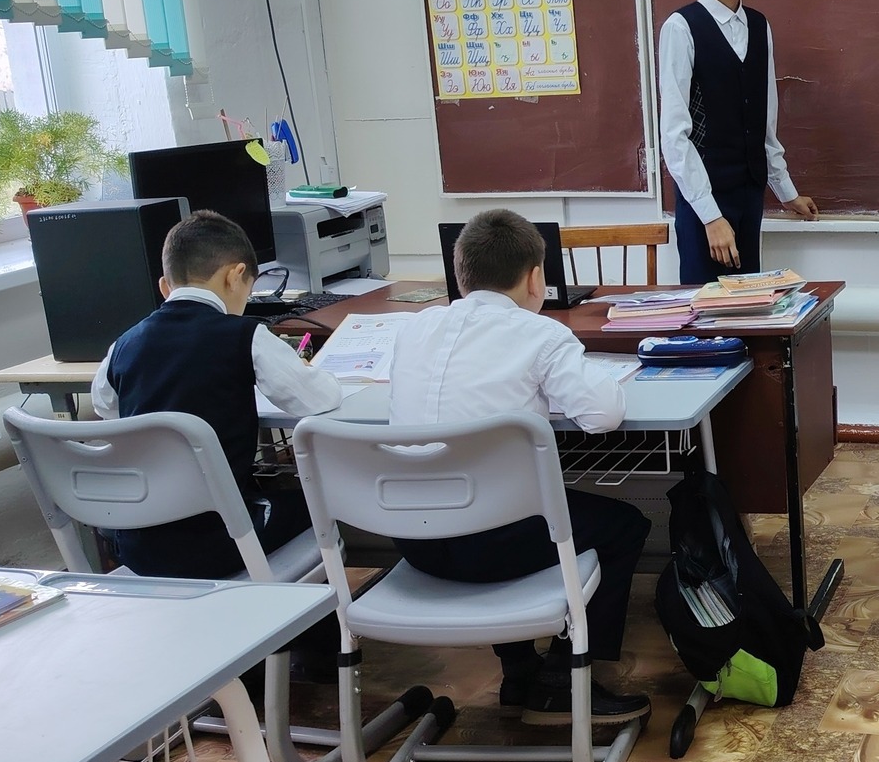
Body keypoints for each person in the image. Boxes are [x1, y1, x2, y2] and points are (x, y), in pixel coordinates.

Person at [387, 208, 652, 725]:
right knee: (623, 526)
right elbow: (602, 415)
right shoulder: (540, 336)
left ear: (460, 274)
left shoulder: (414, 329)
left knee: (498, 505)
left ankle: (519, 671)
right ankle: (561, 682)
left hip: (413, 539)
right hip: (490, 547)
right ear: (536, 278)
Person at [92, 209, 342, 580]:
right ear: (235, 276)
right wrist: (306, 368)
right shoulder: (245, 336)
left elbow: (107, 411)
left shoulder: (123, 345)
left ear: (165, 286)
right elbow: (319, 399)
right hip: (219, 543)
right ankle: (317, 612)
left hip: (139, 545)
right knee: (323, 498)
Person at [658, 0, 819, 284]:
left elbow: (765, 123)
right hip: (703, 200)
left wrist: (786, 191)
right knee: (707, 308)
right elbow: (674, 135)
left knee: (750, 304)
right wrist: (711, 217)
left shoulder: (759, 26)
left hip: (749, 195)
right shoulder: (681, 27)